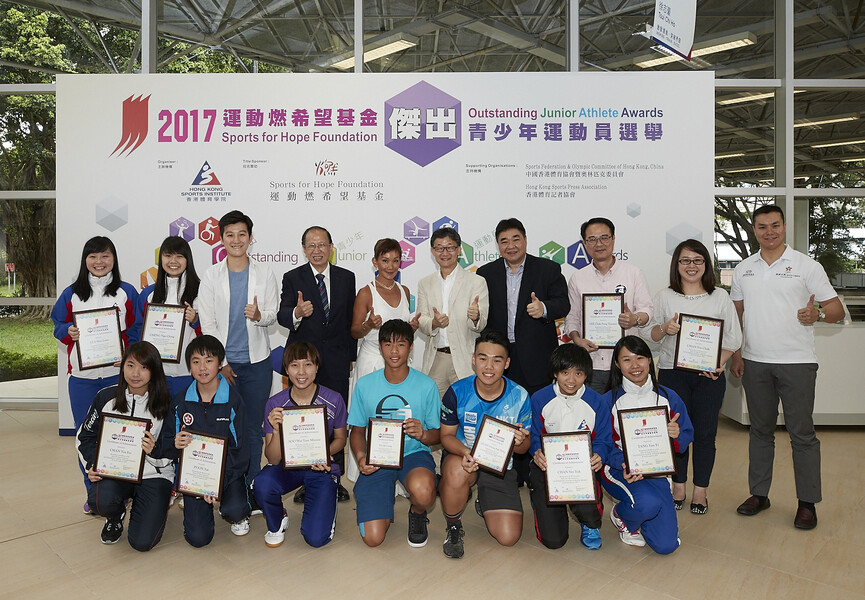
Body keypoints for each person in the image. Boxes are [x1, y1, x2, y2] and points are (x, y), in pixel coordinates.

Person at [729, 205, 844, 530]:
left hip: (797, 363)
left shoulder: (806, 266)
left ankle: (807, 503)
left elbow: (837, 310)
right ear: (755, 230)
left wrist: (817, 315)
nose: (769, 232)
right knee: (760, 432)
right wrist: (737, 353)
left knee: (802, 435)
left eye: (775, 225)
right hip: (754, 362)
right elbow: (736, 315)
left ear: (784, 227)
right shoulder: (743, 269)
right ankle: (759, 494)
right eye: (762, 226)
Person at [644, 239, 742, 514]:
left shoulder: (720, 297)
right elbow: (649, 336)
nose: (691, 266)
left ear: (706, 265)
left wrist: (717, 363)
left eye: (698, 260)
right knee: (676, 432)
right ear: (676, 265)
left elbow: (734, 338)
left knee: (705, 433)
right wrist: (665, 328)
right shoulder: (665, 296)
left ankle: (701, 489)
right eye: (685, 260)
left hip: (708, 376)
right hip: (672, 374)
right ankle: (679, 485)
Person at [477, 218, 567, 486]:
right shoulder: (485, 272)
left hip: (537, 357)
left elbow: (564, 304)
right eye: (504, 241)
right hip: (501, 359)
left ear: (525, 240)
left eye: (516, 239)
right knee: (504, 413)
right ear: (498, 245)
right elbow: (482, 312)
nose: (511, 245)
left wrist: (545, 310)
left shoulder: (548, 269)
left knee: (534, 414)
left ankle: (534, 471)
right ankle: (508, 471)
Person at [51, 235, 138, 510]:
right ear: (85, 260)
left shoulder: (126, 291)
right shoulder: (71, 293)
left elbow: (137, 329)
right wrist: (69, 332)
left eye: (105, 256)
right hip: (82, 379)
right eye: (93, 256)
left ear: (114, 259)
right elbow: (57, 325)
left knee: (120, 434)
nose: (99, 262)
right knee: (85, 436)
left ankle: (120, 490)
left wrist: (128, 352)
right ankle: (94, 493)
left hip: (117, 377)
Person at [198, 210, 278, 487]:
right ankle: (228, 484)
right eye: (230, 235)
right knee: (223, 426)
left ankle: (252, 484)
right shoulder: (210, 275)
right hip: (223, 366)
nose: (236, 240)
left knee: (254, 428)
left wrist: (258, 316)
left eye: (242, 234)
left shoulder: (264, 272)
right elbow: (207, 323)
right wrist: (221, 363)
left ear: (250, 238)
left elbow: (272, 314)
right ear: (221, 239)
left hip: (257, 364)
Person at [277, 226, 355, 504]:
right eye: (311, 245)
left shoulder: (347, 277)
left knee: (335, 421)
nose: (317, 250)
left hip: (335, 360)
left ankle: (335, 476)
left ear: (331, 247)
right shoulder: (292, 277)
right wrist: (297, 312)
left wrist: (351, 357)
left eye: (322, 244)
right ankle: (306, 479)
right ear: (304, 249)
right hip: (303, 362)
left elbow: (349, 321)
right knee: (305, 419)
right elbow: (283, 315)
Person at [438, 329, 531, 559]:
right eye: (483, 358)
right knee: (456, 472)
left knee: (508, 538)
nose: (489, 367)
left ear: (507, 363)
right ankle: (453, 526)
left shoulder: (520, 395)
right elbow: (446, 436)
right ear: (473, 359)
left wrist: (519, 441)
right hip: (465, 460)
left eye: (497, 360)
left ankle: (484, 497)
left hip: (500, 467)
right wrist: (465, 453)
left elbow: (523, 448)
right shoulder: (457, 391)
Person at [347, 319, 440, 548]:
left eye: (401, 344)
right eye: (388, 344)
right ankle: (382, 498)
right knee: (373, 538)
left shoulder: (426, 385)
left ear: (410, 348)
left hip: (413, 455)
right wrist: (360, 458)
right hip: (377, 458)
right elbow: (357, 431)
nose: (394, 351)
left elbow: (438, 434)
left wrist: (423, 434)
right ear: (380, 347)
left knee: (425, 492)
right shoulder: (365, 384)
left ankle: (417, 513)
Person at [76, 341, 174, 550]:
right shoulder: (106, 397)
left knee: (142, 543)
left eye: (143, 367)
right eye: (130, 365)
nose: (135, 373)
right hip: (116, 471)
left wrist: (155, 450)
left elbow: (174, 450)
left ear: (154, 371)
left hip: (153, 475)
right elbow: (85, 436)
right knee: (100, 501)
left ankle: (145, 504)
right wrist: (93, 465)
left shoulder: (167, 404)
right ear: (122, 367)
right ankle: (116, 514)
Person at [600, 336, 693, 555]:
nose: (635, 366)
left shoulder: (668, 397)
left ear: (650, 360)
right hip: (620, 470)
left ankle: (640, 511)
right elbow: (602, 444)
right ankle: (622, 514)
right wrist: (623, 463)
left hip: (658, 472)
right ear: (616, 364)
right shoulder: (607, 401)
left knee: (666, 545)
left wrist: (676, 435)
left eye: (640, 358)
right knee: (647, 504)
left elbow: (686, 435)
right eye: (627, 359)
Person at [253, 342, 347, 548]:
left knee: (316, 539)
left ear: (317, 367)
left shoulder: (333, 399)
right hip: (288, 466)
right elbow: (273, 459)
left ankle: (327, 500)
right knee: (262, 484)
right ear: (286, 369)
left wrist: (324, 453)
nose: (302, 372)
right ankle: (277, 521)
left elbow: (341, 439)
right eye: (295, 365)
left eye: (308, 365)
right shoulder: (275, 404)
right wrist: (276, 430)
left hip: (320, 468)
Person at [164, 335, 251, 547]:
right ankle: (196, 507)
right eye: (196, 361)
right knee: (198, 539)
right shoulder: (181, 401)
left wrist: (218, 485)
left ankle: (240, 507)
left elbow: (242, 451)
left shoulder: (233, 400)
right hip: (195, 478)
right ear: (190, 366)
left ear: (220, 363)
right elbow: (167, 443)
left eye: (209, 360)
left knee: (235, 509)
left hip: (227, 474)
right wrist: (175, 444)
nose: (202, 367)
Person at [529, 344, 612, 550]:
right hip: (548, 466)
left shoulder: (597, 402)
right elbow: (532, 435)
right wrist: (536, 451)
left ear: (586, 375)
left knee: (588, 477)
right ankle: (540, 501)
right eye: (565, 372)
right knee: (554, 541)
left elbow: (604, 438)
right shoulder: (540, 398)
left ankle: (589, 524)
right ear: (555, 372)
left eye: (578, 373)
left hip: (581, 467)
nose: (571, 380)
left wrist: (599, 455)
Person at [564, 217, 653, 394]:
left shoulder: (633, 273)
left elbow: (647, 310)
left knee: (625, 417)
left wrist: (634, 319)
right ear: (584, 243)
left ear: (613, 239)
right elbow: (572, 317)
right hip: (591, 363)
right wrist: (577, 339)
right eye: (592, 239)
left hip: (627, 365)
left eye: (604, 237)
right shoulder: (578, 278)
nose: (599, 244)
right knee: (594, 417)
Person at [417, 227, 489, 397]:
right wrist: (434, 323)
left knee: (467, 407)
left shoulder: (476, 281)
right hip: (436, 357)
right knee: (434, 411)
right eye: (439, 248)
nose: (445, 253)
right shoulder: (425, 283)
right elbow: (421, 319)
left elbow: (481, 323)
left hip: (465, 358)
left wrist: (476, 317)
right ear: (432, 251)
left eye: (449, 247)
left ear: (459, 249)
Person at [131, 236, 202, 398]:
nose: (173, 261)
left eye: (179, 256)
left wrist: (195, 321)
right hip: (156, 373)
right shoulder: (148, 293)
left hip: (188, 373)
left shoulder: (201, 291)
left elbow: (212, 333)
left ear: (187, 259)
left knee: (187, 422)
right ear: (161, 259)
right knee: (157, 420)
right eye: (168, 255)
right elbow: (136, 331)